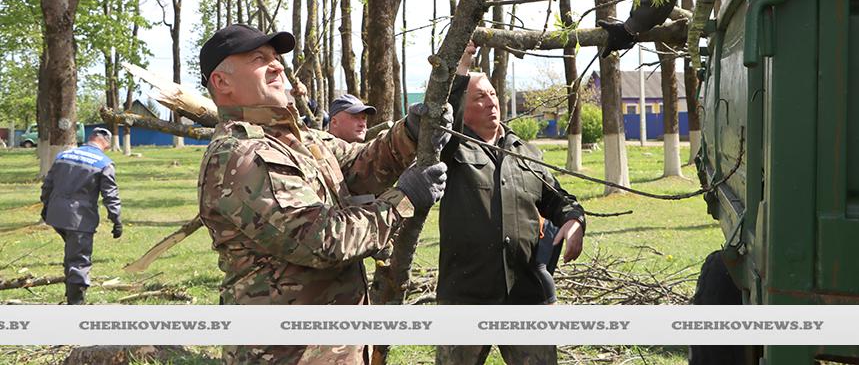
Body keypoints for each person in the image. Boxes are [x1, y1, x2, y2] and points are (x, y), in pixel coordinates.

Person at [196, 23, 450, 365]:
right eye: (259, 58)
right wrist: (402, 201)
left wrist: (410, 133)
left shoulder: (299, 139)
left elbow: (362, 163)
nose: (277, 65)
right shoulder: (240, 154)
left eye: (276, 57)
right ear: (221, 82)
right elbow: (321, 240)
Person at [434, 42, 587, 365]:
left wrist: (575, 222)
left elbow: (558, 199)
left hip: (525, 295)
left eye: (492, 94)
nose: (491, 102)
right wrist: (461, 66)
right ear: (463, 104)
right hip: (466, 296)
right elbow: (441, 120)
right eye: (479, 97)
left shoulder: (525, 152)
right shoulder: (452, 149)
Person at [40, 127, 121, 305]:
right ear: (105, 143)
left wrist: (46, 206)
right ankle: (76, 305)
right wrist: (116, 220)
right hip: (79, 219)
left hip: (56, 216)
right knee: (79, 260)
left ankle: (71, 292)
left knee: (71, 254)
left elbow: (48, 185)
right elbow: (110, 195)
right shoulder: (104, 163)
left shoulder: (64, 155)